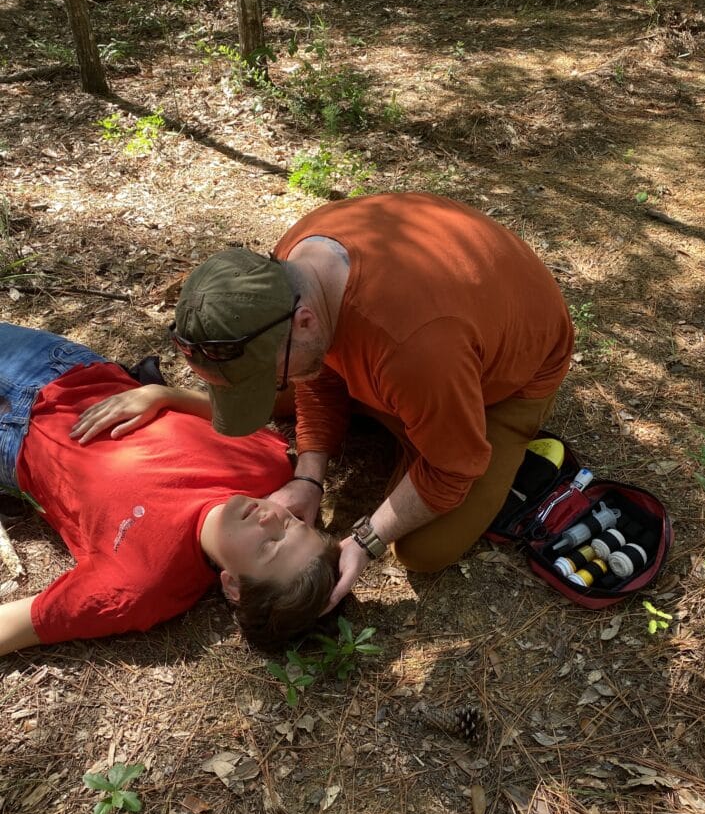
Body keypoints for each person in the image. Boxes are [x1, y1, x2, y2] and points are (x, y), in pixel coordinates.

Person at [83, 193, 574, 613]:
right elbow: (319, 370)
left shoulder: (416, 348)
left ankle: (428, 426)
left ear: (304, 321)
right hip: (408, 358)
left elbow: (453, 467)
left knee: (427, 548)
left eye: (267, 374)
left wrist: (367, 539)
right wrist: (308, 475)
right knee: (293, 380)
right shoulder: (285, 277)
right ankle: (386, 418)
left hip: (503, 385)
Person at [0, 323, 339, 657]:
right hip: (61, 368)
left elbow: (19, 625)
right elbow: (226, 417)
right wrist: (161, 394)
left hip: (12, 446)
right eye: (291, 524)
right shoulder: (267, 466)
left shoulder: (141, 586)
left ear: (233, 585)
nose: (269, 520)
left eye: (268, 547)